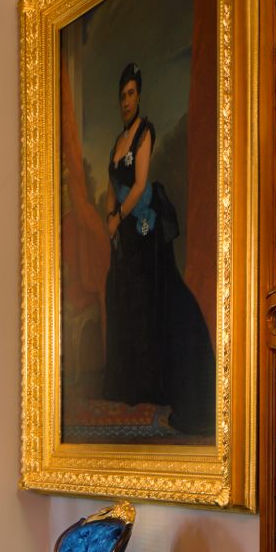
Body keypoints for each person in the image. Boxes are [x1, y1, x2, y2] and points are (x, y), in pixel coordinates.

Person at [100, 63, 214, 436]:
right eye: (122, 95)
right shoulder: (117, 142)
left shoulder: (143, 133)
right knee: (125, 300)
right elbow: (112, 185)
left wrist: (117, 216)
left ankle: (180, 380)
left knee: (159, 299)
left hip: (145, 229)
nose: (126, 101)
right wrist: (109, 216)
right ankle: (134, 383)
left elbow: (139, 184)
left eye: (131, 93)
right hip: (124, 233)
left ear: (139, 95)